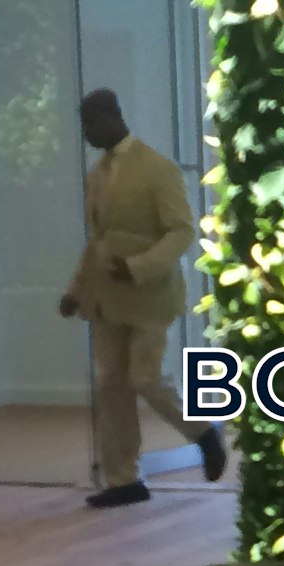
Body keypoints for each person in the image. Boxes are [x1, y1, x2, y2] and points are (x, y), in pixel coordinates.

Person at [58, 89, 227, 508]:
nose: (87, 133)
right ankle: (123, 480)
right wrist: (76, 290)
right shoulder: (97, 176)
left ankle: (203, 433)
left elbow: (182, 231)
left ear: (112, 117)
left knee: (146, 378)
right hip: (106, 297)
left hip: (151, 295)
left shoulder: (157, 169)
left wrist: (139, 266)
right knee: (111, 388)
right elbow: (98, 241)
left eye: (90, 123)